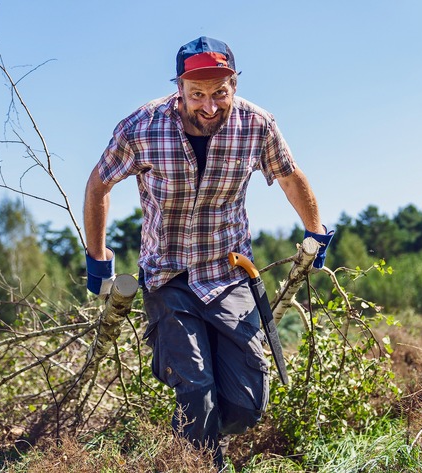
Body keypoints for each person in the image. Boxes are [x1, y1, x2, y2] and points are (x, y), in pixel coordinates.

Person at [83, 36, 334, 469]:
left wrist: (315, 233)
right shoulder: (141, 127)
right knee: (196, 389)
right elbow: (99, 183)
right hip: (169, 276)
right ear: (179, 87)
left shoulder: (257, 125)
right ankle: (198, 459)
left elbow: (290, 176)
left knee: (247, 403)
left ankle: (201, 434)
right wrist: (97, 258)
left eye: (220, 92)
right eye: (196, 94)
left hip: (229, 273)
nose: (209, 106)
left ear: (234, 84)